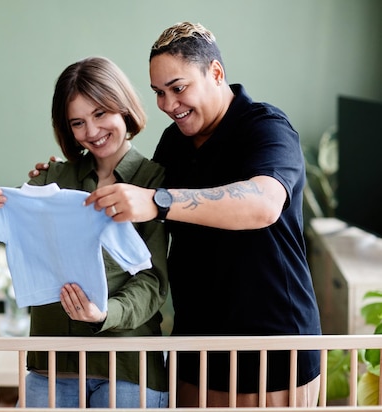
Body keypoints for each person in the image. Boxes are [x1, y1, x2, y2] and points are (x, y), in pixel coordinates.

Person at [31, 22, 322, 407]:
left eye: (178, 88)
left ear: (215, 73)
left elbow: (264, 204)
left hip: (270, 347)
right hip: (194, 349)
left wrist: (160, 201)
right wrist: (57, 178)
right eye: (158, 93)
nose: (168, 104)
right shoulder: (174, 143)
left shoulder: (266, 128)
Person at [0, 56, 169, 408]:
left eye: (100, 114)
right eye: (77, 122)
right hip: (53, 365)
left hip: (127, 364)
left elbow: (152, 281)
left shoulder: (154, 183)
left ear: (123, 108)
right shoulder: (50, 178)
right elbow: (10, 213)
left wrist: (105, 313)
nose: (91, 132)